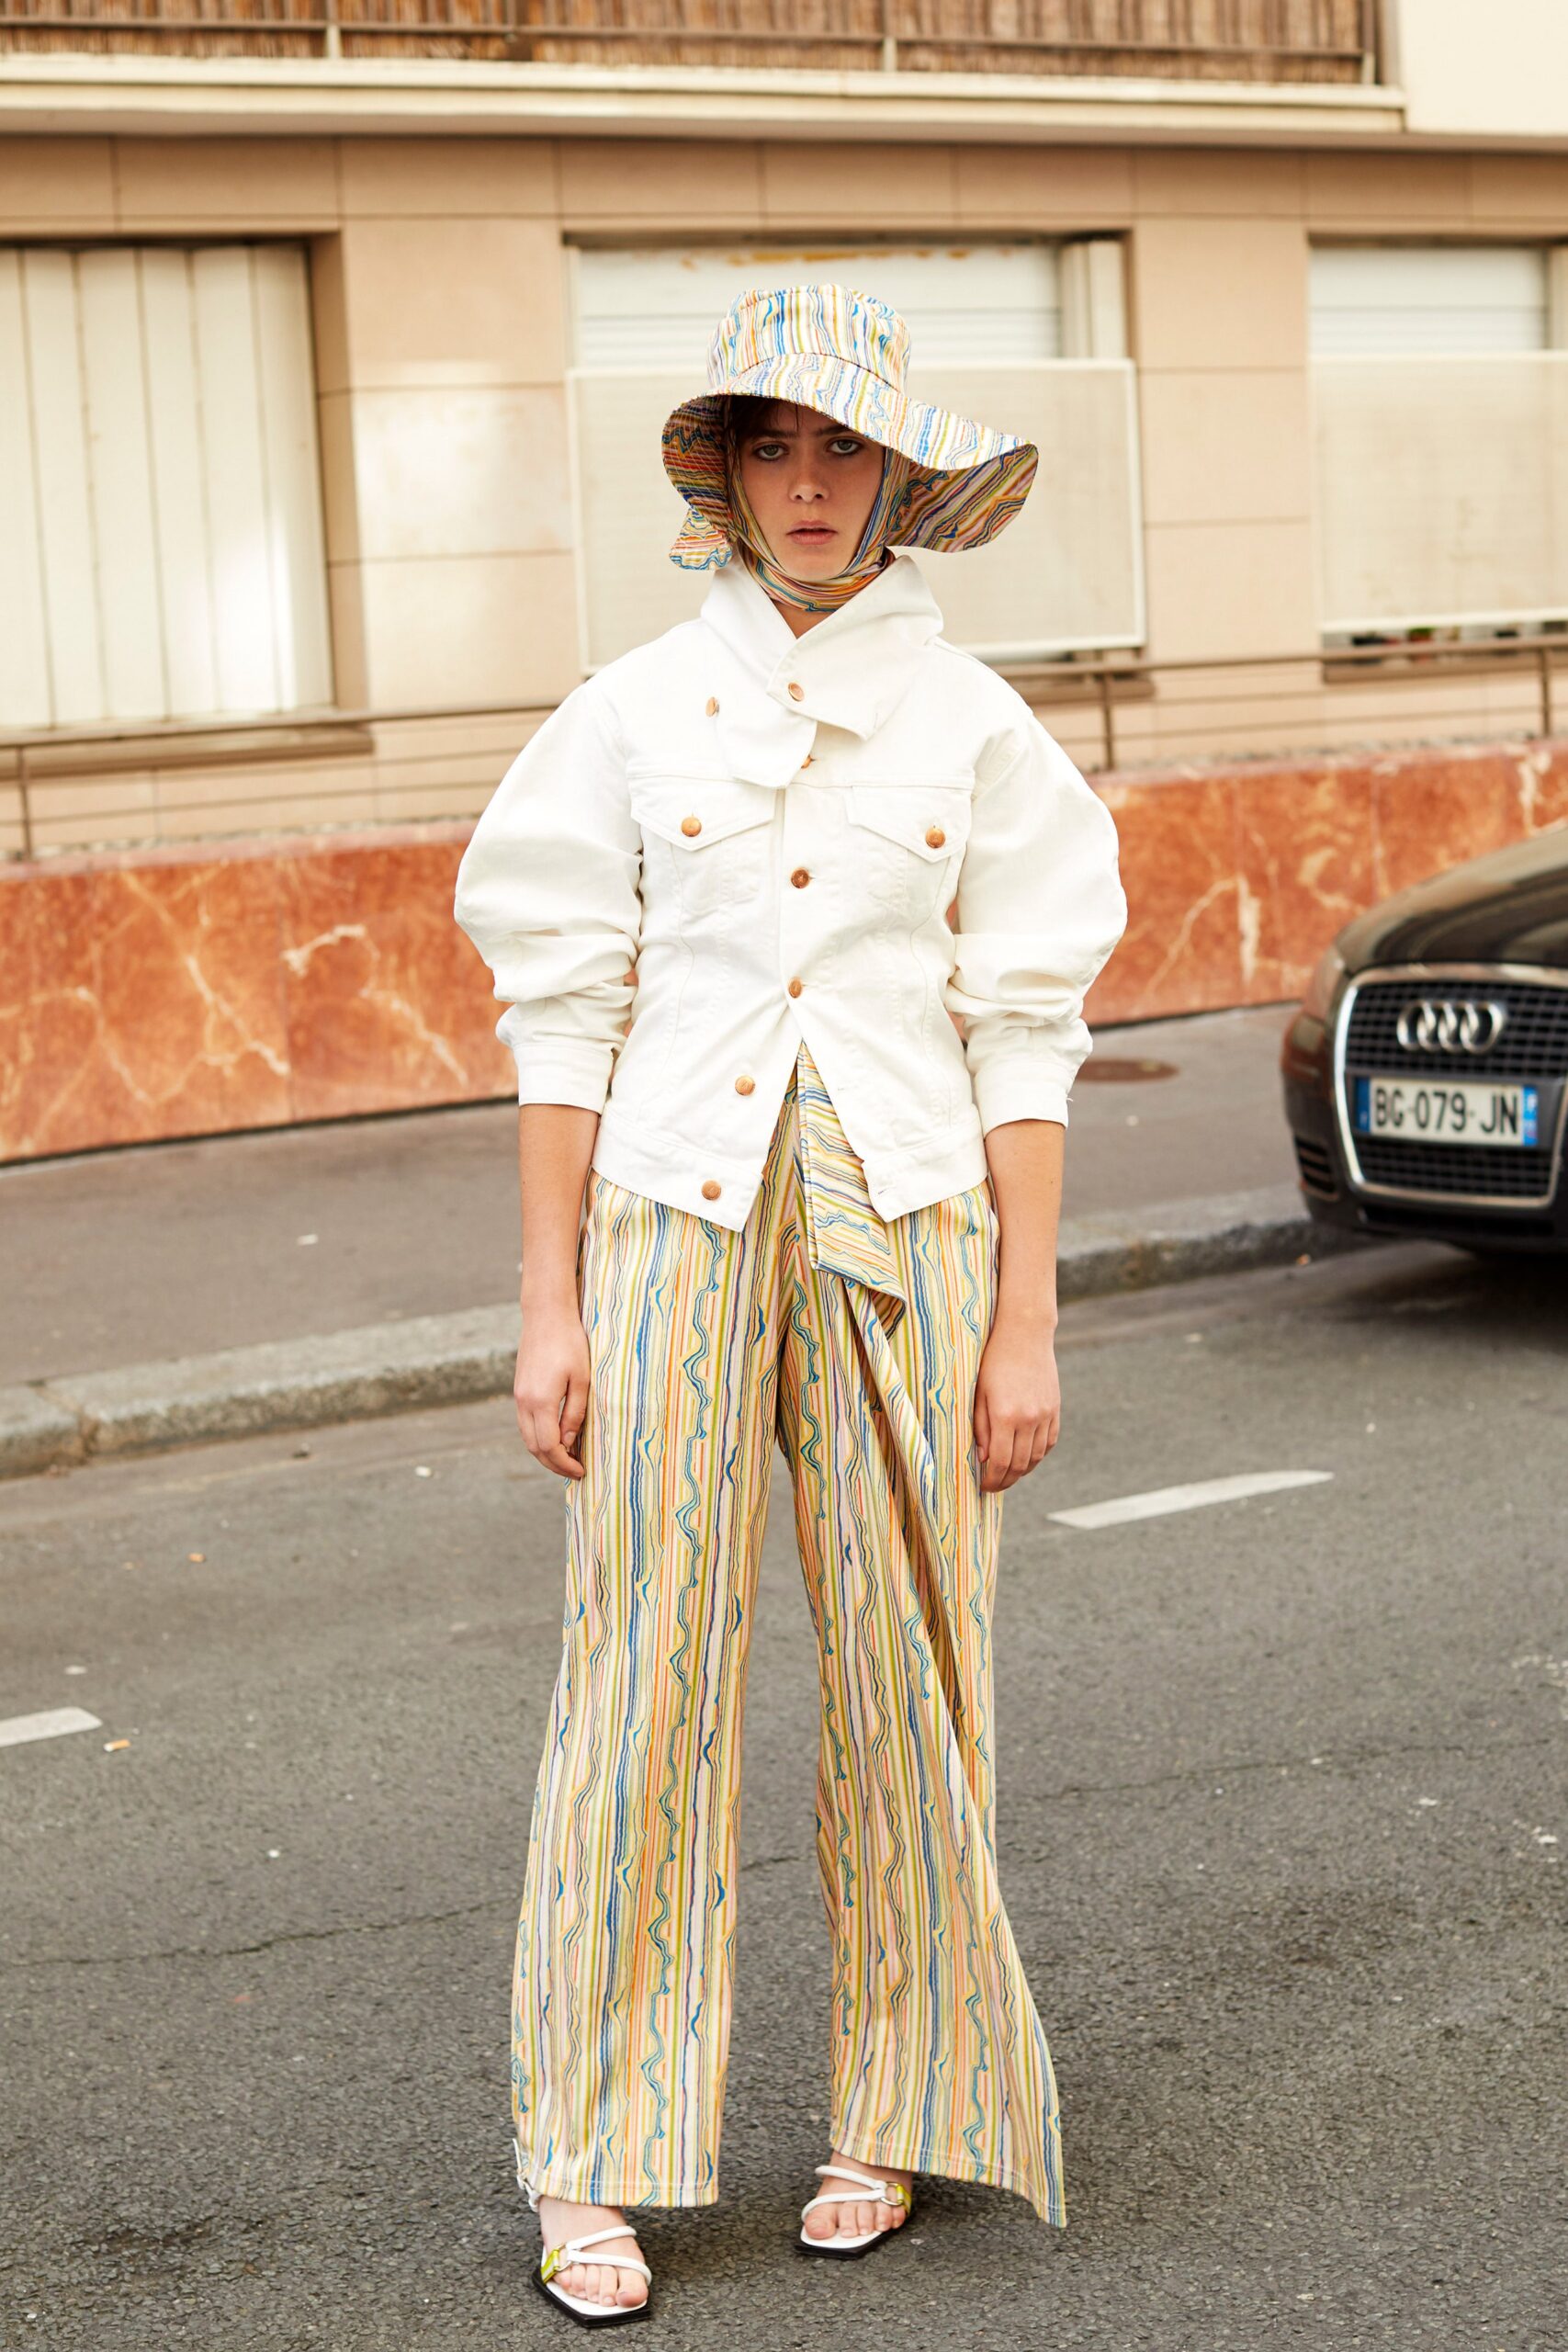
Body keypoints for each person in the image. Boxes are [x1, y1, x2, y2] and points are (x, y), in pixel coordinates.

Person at [452, 282, 1127, 2328]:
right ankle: (591, 2151)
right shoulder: (633, 708)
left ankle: (892, 2110)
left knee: (913, 1681)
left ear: (900, 481)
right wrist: (545, 1299)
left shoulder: (976, 728)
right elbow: (559, 1004)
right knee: (637, 1678)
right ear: (726, 481)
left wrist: (1025, 1321)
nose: (810, 487)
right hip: (671, 1215)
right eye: (774, 448)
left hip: (911, 1229)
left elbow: (1025, 1024)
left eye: (842, 451)